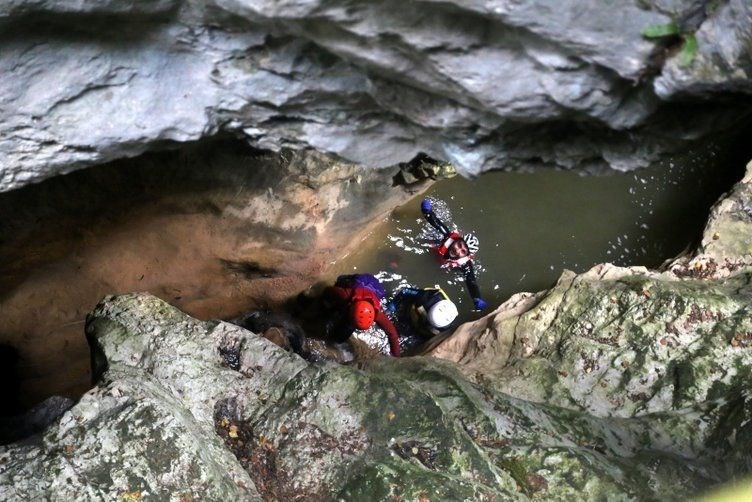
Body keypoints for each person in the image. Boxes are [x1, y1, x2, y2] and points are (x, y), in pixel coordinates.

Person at [420, 198, 487, 310]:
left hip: (450, 266)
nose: (458, 250)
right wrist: (427, 212)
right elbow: (436, 223)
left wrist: (477, 297)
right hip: (439, 253)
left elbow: (471, 281)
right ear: (457, 239)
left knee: (464, 274)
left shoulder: (465, 264)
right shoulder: (448, 236)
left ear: (466, 256)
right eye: (460, 245)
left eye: (463, 252)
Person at [321, 273, 401, 357]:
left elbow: (392, 334)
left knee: (340, 336)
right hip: (358, 280)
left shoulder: (377, 314)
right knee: (340, 281)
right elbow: (328, 290)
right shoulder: (345, 294)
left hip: (377, 288)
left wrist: (396, 357)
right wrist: (324, 305)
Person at [390, 286, 459, 338]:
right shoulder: (425, 297)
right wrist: (392, 306)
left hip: (421, 329)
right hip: (412, 310)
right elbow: (405, 291)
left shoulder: (447, 324)